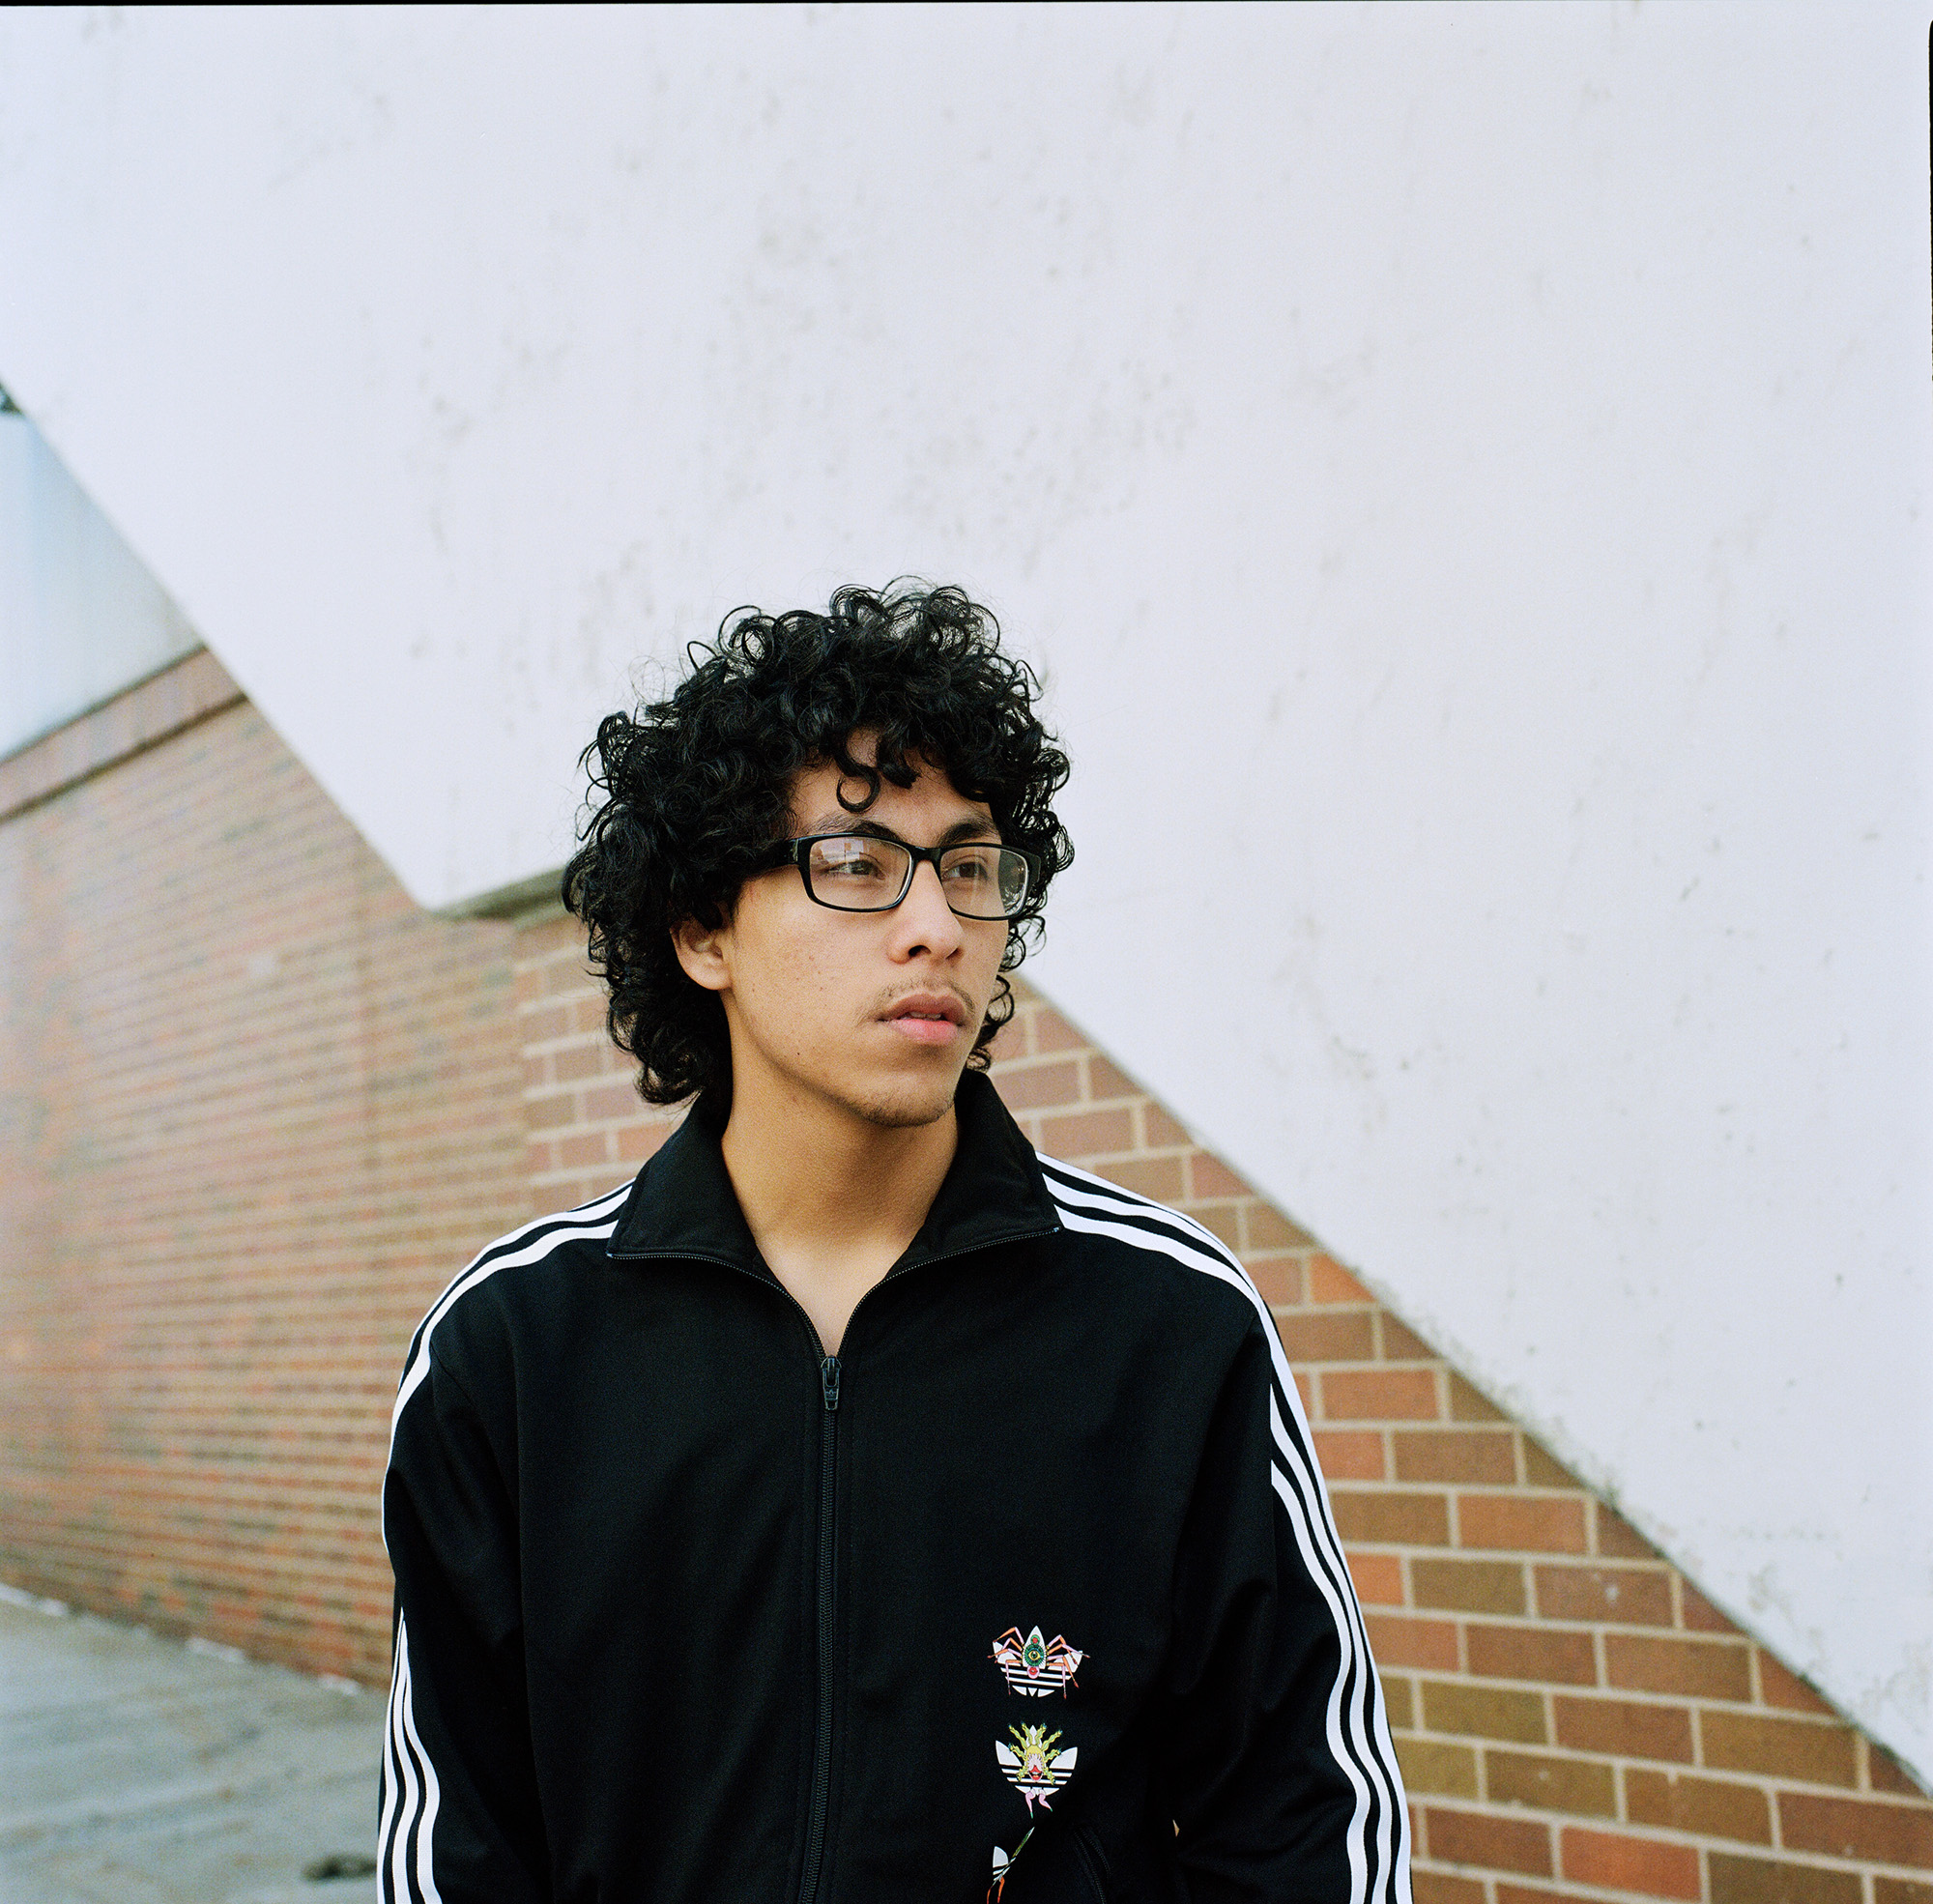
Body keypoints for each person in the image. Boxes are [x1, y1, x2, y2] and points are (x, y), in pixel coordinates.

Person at [378, 584, 1410, 1904]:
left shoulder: (1166, 1320)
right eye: (858, 865)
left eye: (968, 868)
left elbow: (1303, 1818)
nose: (939, 926)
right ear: (702, 931)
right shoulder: (513, 1352)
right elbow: (456, 1845)